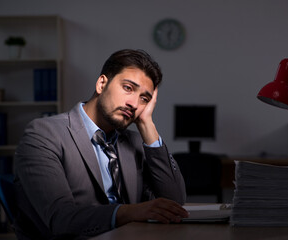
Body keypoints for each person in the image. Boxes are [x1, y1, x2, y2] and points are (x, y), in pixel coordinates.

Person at [13, 49, 188, 239]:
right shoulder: (43, 134)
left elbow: (174, 203)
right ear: (102, 83)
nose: (134, 104)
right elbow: (61, 219)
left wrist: (147, 125)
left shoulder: (134, 142)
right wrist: (131, 212)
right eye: (128, 88)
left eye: (144, 99)